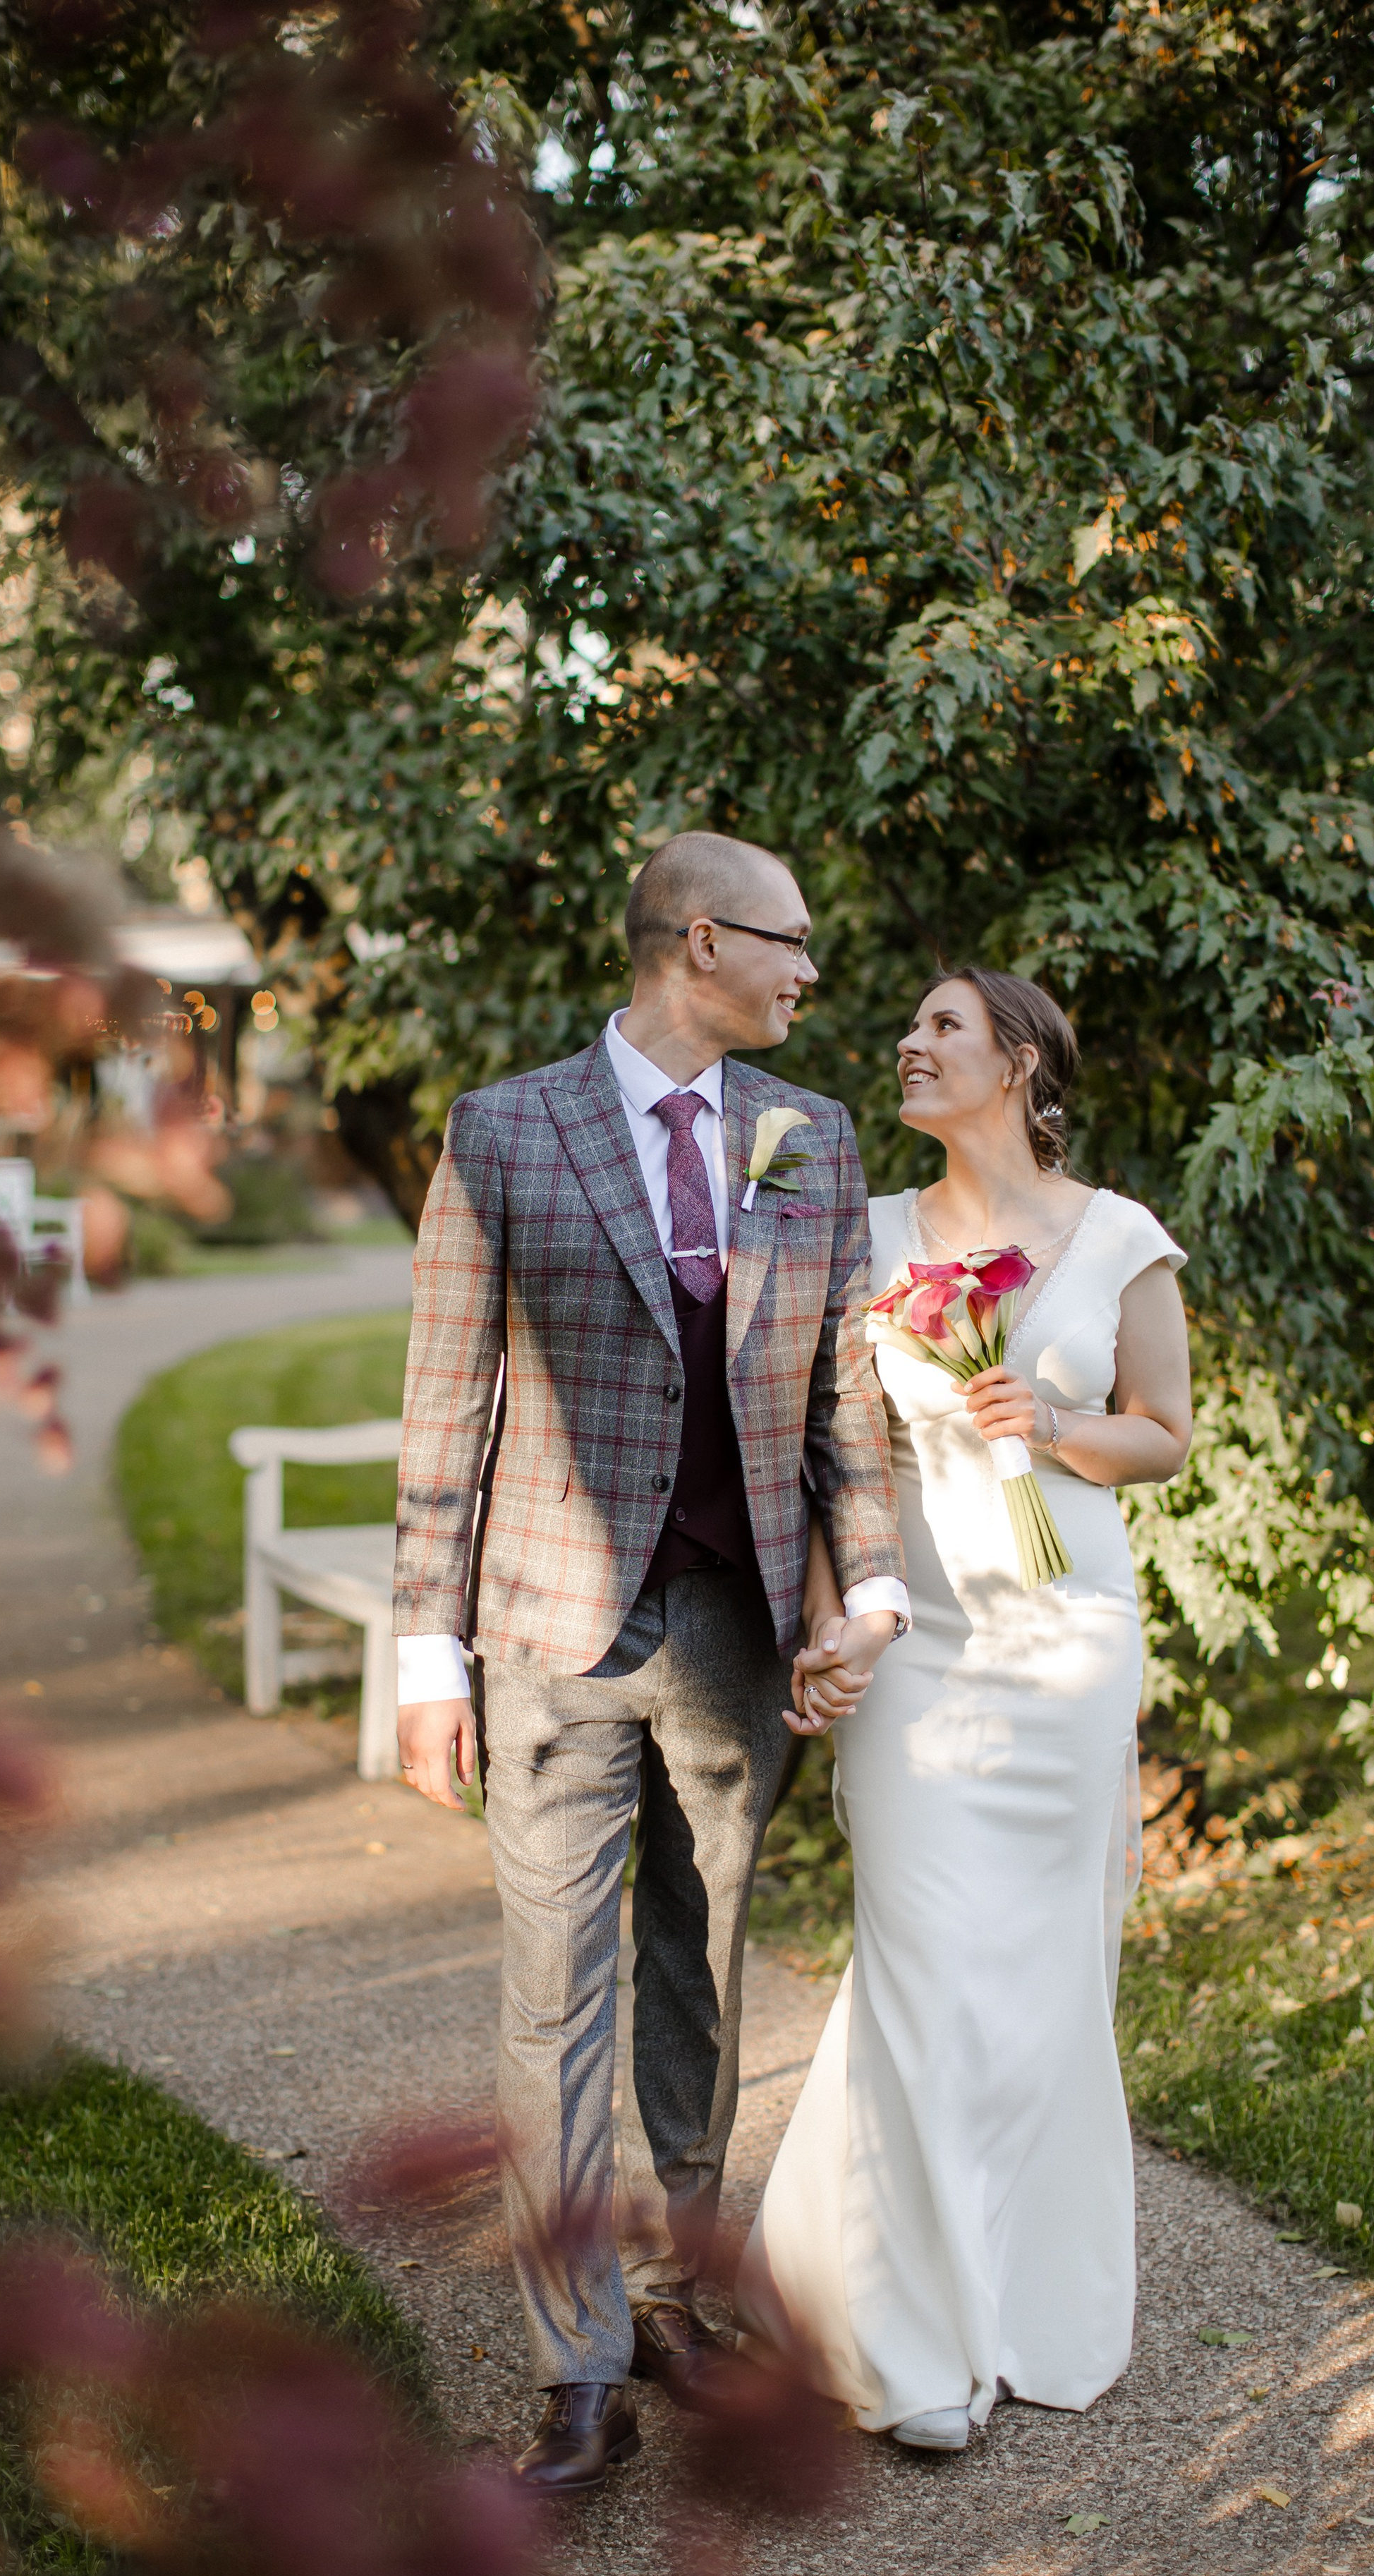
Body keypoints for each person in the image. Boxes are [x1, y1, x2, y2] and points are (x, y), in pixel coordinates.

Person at [392, 831, 909, 2492]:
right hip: (550, 1630)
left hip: (734, 1629)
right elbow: (445, 1403)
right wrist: (425, 1656)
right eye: (787, 940)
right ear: (699, 942)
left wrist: (865, 1589)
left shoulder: (808, 1136)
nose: (807, 971)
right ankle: (578, 2370)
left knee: (704, 1966)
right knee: (553, 1996)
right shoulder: (504, 1128)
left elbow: (841, 1397)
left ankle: (679, 2287)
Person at [736, 967, 1193, 2452]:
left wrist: (1052, 1426)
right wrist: (832, 1621)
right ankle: (910, 2341)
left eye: (943, 1027)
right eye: (912, 1027)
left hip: (1069, 1640)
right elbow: (826, 1452)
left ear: (1020, 1061)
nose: (908, 1045)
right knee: (922, 1962)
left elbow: (1164, 1437)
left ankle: (1026, 2302)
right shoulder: (863, 1235)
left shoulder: (1118, 1237)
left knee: (1043, 1976)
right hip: (917, 1643)